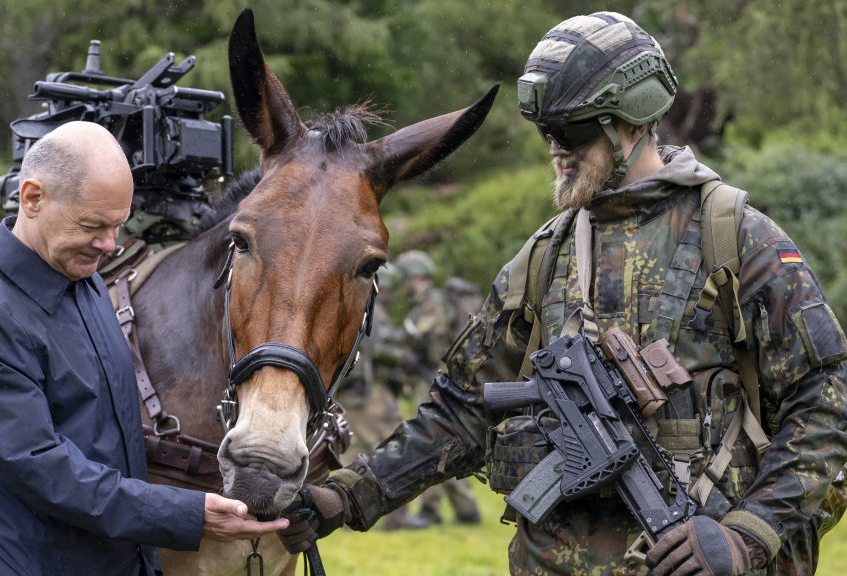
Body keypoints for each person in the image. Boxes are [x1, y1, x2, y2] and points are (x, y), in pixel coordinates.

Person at [278, 12, 847, 576]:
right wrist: (349, 494)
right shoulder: (542, 259)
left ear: (631, 122)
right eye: (547, 132)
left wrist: (749, 534)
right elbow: (461, 411)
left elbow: (826, 402)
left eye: (573, 131)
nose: (556, 149)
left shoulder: (737, 238)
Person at [0, 121, 287, 576]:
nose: (109, 244)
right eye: (93, 225)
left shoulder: (86, 280)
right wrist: (184, 514)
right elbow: (46, 474)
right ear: (32, 198)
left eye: (117, 225)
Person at [336, 262, 430, 530]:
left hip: (355, 391)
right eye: (388, 288)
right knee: (394, 442)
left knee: (351, 449)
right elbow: (378, 349)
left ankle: (343, 512)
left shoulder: (356, 308)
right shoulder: (370, 311)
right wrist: (405, 356)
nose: (389, 294)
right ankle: (396, 516)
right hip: (367, 393)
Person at [396, 250, 481, 526]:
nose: (403, 284)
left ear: (414, 277)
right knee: (438, 440)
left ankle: (442, 510)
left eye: (406, 278)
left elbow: (422, 336)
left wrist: (403, 338)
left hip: (434, 378)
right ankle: (460, 509)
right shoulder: (424, 302)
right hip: (432, 377)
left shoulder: (430, 303)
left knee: (431, 439)